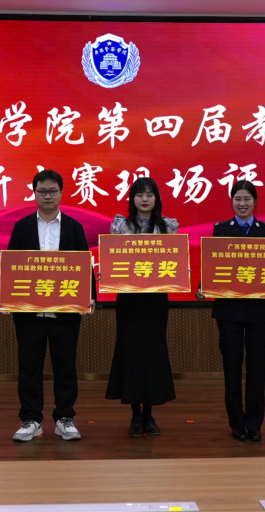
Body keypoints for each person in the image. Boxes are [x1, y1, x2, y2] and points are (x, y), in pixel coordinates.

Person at [6, 169, 90, 443]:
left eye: (53, 191)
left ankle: (65, 418)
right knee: (29, 367)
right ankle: (31, 419)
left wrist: (89, 295)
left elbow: (84, 264)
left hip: (65, 311)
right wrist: (3, 294)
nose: (47, 196)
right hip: (29, 311)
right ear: (34, 193)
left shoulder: (74, 227)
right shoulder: (22, 227)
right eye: (42, 191)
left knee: (65, 366)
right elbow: (11, 265)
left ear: (61, 193)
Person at [199, 180, 265, 442]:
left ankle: (254, 422)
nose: (242, 204)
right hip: (228, 311)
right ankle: (236, 423)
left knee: (257, 368)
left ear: (255, 202)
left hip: (258, 311)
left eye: (247, 199)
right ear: (232, 201)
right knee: (231, 368)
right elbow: (213, 265)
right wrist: (203, 286)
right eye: (237, 199)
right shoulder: (220, 230)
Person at [105, 177, 177, 436]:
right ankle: (135, 415)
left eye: (149, 194)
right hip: (129, 299)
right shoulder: (120, 226)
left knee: (153, 353)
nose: (144, 199)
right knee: (131, 352)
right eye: (139, 194)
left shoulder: (168, 226)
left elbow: (175, 262)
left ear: (156, 198)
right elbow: (112, 260)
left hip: (155, 300)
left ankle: (149, 414)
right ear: (132, 199)